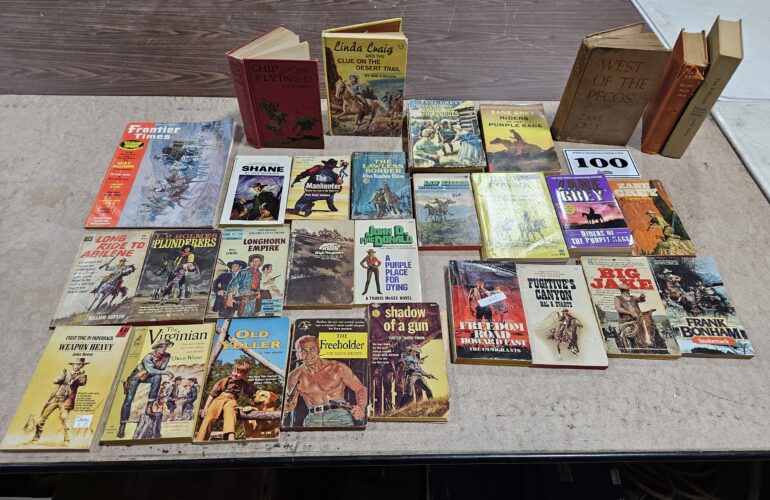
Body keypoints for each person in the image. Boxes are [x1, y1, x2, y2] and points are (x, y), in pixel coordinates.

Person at [283, 335, 367, 428]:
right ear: (297, 354)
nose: (309, 354)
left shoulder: (338, 368)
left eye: (312, 349)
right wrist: (286, 408)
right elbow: (291, 403)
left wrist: (361, 407)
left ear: (319, 350)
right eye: (303, 351)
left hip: (339, 416)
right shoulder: (294, 376)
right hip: (313, 420)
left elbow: (360, 388)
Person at [117, 339, 174, 439]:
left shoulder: (167, 356)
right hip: (136, 376)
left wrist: (163, 363)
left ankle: (149, 407)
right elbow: (151, 370)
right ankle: (122, 424)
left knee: (157, 377)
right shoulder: (149, 356)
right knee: (128, 401)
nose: (163, 348)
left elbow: (161, 369)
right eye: (161, 346)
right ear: (157, 347)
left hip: (149, 376)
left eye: (165, 346)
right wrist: (166, 372)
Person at [196, 360, 257, 441]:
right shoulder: (224, 380)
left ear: (244, 374)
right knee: (209, 417)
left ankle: (230, 437)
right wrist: (205, 408)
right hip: (219, 399)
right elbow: (212, 395)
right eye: (234, 371)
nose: (235, 374)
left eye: (238, 372)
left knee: (231, 413)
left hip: (231, 400)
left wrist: (254, 402)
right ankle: (201, 439)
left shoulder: (244, 384)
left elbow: (253, 394)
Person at [32, 358, 88, 444]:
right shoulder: (66, 373)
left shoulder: (82, 375)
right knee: (41, 418)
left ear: (82, 366)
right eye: (75, 364)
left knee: (64, 418)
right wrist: (62, 376)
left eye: (79, 364)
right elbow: (55, 381)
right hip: (55, 398)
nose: (77, 366)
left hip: (65, 400)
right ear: (72, 365)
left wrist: (81, 378)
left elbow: (82, 383)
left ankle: (67, 440)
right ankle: (36, 438)